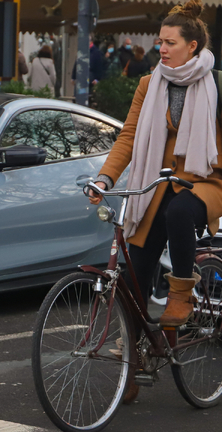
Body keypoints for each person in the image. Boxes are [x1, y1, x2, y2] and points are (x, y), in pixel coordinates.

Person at [89, 0, 222, 351]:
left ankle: (181, 293)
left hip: (206, 180)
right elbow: (129, 137)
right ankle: (131, 353)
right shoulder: (149, 85)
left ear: (193, 46)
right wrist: (105, 178)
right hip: (156, 184)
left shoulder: (217, 85)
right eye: (159, 41)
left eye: (170, 43)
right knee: (137, 270)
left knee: (179, 213)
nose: (161, 49)